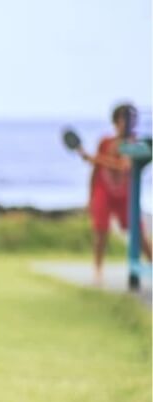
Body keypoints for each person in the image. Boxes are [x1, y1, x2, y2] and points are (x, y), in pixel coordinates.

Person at [75, 102, 152, 284]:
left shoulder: (135, 143)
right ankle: (98, 271)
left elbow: (125, 166)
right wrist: (90, 195)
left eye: (132, 119)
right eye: (125, 119)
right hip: (104, 190)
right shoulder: (105, 142)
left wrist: (94, 158)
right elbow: (95, 171)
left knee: (138, 233)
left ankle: (150, 264)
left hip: (126, 193)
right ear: (116, 121)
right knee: (100, 231)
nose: (128, 123)